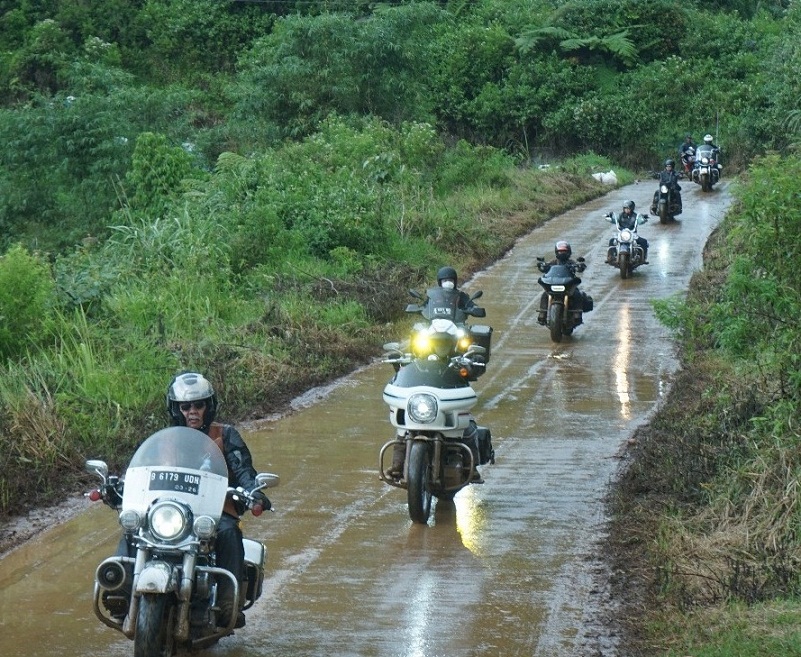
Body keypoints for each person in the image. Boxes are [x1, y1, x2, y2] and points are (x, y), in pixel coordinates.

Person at [109, 372, 270, 630]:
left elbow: (243, 470)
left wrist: (253, 492)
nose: (192, 411)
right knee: (134, 527)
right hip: (170, 510)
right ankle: (120, 588)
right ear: (176, 409)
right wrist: (117, 486)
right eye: (185, 406)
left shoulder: (226, 436)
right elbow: (139, 471)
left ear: (209, 406)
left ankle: (230, 602)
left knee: (229, 532)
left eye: (199, 405)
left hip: (213, 511)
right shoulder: (162, 440)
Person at [536, 240, 591, 325]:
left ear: (569, 252)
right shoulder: (553, 262)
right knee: (545, 295)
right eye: (560, 251)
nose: (562, 253)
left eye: (564, 251)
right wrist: (542, 265)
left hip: (568, 286)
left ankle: (577, 314)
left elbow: (579, 268)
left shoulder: (571, 262)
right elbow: (545, 268)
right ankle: (542, 314)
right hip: (554, 284)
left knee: (577, 294)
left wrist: (580, 266)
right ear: (556, 252)